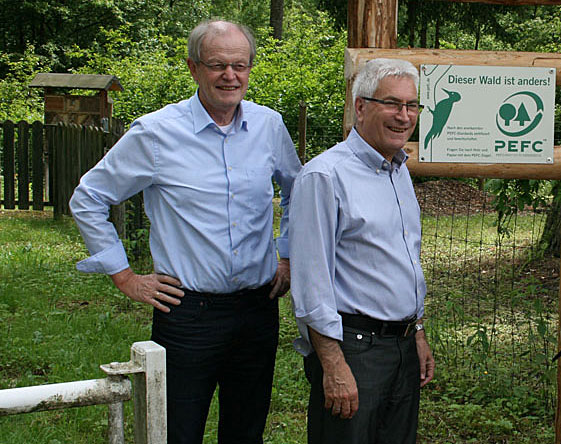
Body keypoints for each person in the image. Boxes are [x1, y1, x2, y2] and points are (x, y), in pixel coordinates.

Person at [70, 19, 301, 444]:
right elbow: (89, 197)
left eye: (239, 65)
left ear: (250, 68)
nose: (229, 76)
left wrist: (286, 255)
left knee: (246, 430)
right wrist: (124, 276)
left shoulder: (269, 126)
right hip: (188, 313)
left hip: (257, 309)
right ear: (194, 68)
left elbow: (297, 192)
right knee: (177, 431)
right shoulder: (157, 133)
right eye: (217, 65)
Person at [289, 58, 435, 444]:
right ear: (360, 106)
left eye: (411, 106)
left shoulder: (398, 169)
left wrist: (416, 333)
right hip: (353, 350)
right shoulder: (325, 176)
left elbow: (403, 262)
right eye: (392, 103)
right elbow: (311, 282)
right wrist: (333, 364)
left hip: (400, 347)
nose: (403, 116)